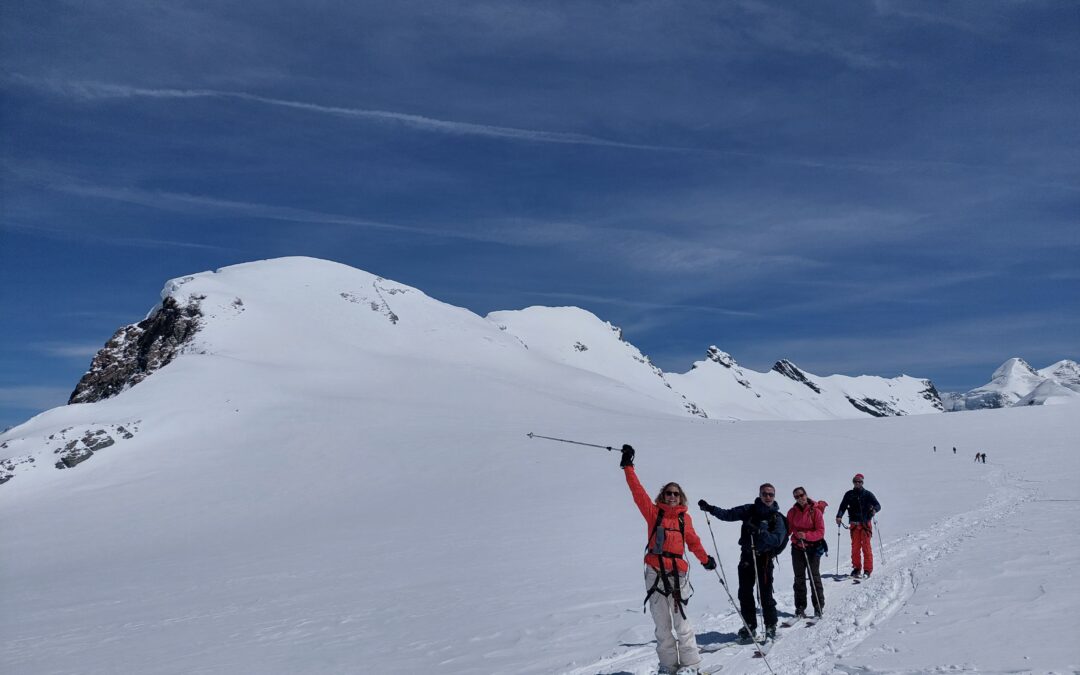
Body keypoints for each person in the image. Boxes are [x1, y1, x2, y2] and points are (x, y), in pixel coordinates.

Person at [620, 444, 714, 675]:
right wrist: (628, 466)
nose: (672, 496)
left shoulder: (685, 519)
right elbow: (637, 492)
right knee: (662, 626)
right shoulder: (654, 513)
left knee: (681, 623)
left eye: (676, 493)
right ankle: (668, 667)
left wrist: (705, 559)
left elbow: (693, 542)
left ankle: (691, 666)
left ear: (681, 497)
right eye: (668, 493)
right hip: (654, 572)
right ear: (663, 495)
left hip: (677, 573)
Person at [698, 484, 787, 641]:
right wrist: (710, 509)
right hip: (747, 557)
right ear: (760, 494)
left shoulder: (777, 517)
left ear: (774, 496)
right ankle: (750, 626)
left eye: (770, 494)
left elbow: (777, 539)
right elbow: (729, 514)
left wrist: (760, 532)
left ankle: (770, 626)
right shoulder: (749, 510)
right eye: (765, 494)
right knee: (745, 593)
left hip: (764, 559)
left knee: (765, 594)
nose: (767, 497)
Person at [787, 487, 827, 618]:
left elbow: (820, 532)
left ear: (806, 494)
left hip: (813, 548)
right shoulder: (792, 512)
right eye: (796, 497)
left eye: (801, 495)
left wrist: (806, 535)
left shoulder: (815, 511)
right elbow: (789, 529)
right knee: (799, 578)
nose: (800, 498)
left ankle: (818, 606)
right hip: (797, 547)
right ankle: (800, 607)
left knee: (814, 576)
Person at [835, 473, 881, 578]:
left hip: (865, 524)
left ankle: (867, 570)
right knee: (855, 547)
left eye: (859, 481)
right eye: (855, 481)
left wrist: (874, 510)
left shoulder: (868, 494)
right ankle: (856, 568)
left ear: (862, 482)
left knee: (866, 547)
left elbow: (878, 505)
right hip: (854, 525)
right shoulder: (849, 494)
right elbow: (842, 507)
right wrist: (839, 516)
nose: (857, 483)